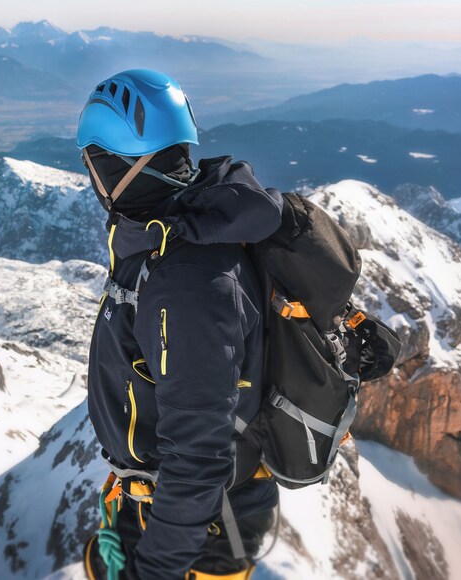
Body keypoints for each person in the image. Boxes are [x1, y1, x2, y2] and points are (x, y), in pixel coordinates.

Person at [77, 69, 284, 579]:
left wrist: (153, 571)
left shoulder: (188, 281)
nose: (91, 177)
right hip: (163, 504)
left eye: (93, 161)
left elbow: (197, 460)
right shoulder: (168, 233)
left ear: (117, 164)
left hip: (203, 531)